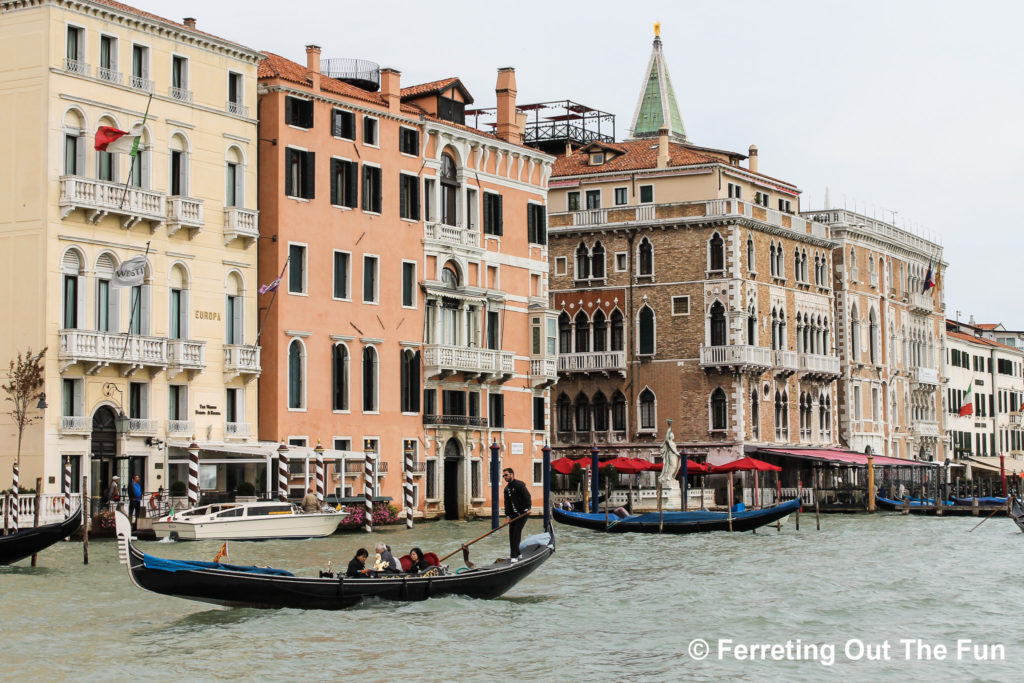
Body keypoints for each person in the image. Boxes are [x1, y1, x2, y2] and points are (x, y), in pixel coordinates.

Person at [502, 467, 532, 563]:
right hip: (514, 515)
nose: (505, 477)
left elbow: (527, 496)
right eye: (503, 476)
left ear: (512, 474)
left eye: (506, 475)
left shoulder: (519, 484)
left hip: (523, 513)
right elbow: (507, 504)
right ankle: (518, 553)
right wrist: (507, 516)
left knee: (516, 532)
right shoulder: (506, 489)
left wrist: (528, 507)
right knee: (511, 533)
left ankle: (513, 555)